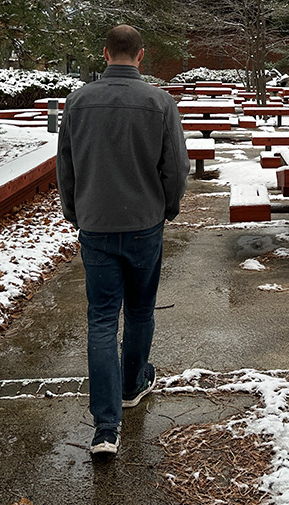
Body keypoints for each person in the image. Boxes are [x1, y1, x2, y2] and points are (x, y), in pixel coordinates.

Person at [56, 24, 190, 457]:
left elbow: (66, 168)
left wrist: (76, 213)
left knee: (100, 320)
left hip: (96, 225)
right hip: (143, 224)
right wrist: (167, 208)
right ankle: (133, 385)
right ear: (141, 55)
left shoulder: (76, 103)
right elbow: (176, 167)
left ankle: (105, 427)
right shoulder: (159, 102)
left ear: (104, 53)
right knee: (139, 311)